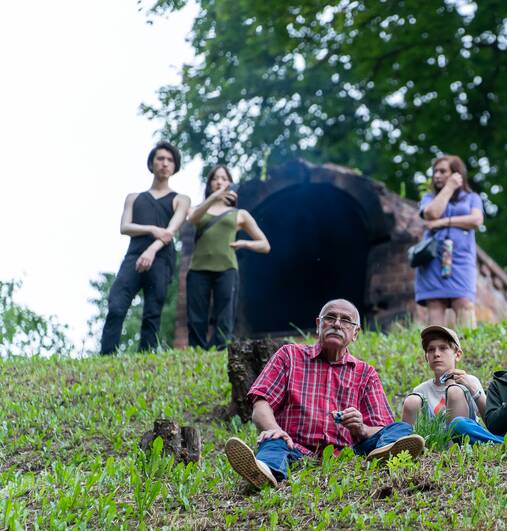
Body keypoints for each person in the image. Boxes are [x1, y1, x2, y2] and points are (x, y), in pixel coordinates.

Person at [224, 298, 425, 490]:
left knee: (400, 428)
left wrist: (362, 428)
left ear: (355, 333)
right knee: (273, 441)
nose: (337, 324)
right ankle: (266, 472)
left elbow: (381, 426)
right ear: (319, 324)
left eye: (346, 320)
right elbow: (261, 406)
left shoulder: (366, 374)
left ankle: (385, 455)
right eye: (330, 317)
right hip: (293, 446)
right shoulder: (290, 356)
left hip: (347, 452)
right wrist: (275, 429)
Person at [101, 141, 191, 354]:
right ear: (151, 164)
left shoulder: (181, 199)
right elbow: (125, 227)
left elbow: (170, 231)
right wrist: (152, 229)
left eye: (170, 160)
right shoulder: (134, 198)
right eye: (160, 159)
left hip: (161, 259)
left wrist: (151, 250)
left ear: (174, 167)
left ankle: (146, 356)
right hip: (133, 256)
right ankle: (106, 356)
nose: (164, 164)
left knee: (153, 311)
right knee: (116, 305)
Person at [185, 165, 271, 349]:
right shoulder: (198, 209)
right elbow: (192, 219)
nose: (219, 182)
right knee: (196, 314)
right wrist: (213, 198)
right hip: (198, 268)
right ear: (209, 183)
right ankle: (196, 350)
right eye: (215, 178)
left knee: (225, 313)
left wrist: (244, 244)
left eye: (223, 178)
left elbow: (265, 245)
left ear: (229, 183)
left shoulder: (239, 214)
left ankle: (222, 348)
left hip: (226, 268)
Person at [415, 155, 484, 328]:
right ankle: (435, 349)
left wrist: (444, 222)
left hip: (461, 259)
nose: (437, 175)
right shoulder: (429, 199)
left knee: (464, 304)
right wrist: (449, 187)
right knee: (435, 305)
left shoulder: (472, 198)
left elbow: (476, 220)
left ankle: (469, 350)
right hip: (432, 259)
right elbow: (431, 214)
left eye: (443, 171)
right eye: (435, 172)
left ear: (456, 173)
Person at [402, 325, 487, 425]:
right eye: (431, 350)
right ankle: (410, 440)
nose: (436, 354)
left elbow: (490, 419)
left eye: (443, 348)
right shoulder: (421, 391)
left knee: (455, 392)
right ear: (426, 357)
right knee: (411, 401)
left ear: (458, 355)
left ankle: (455, 440)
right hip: (432, 439)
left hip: (465, 437)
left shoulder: (470, 381)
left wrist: (474, 390)